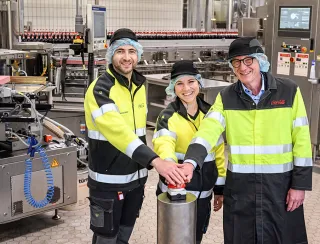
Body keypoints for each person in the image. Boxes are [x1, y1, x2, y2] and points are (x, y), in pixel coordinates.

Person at [183, 37, 313, 244]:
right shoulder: (226, 97)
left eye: (248, 60)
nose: (243, 67)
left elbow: (302, 140)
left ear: (260, 61)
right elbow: (208, 130)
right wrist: (190, 161)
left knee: (283, 237)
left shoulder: (288, 91)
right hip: (242, 189)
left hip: (279, 187)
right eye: (236, 62)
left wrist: (300, 185)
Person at [84, 28, 186, 244]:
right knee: (106, 238)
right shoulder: (100, 89)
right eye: (120, 51)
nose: (127, 57)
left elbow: (139, 134)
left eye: (132, 51)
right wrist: (155, 161)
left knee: (124, 234)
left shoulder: (138, 87)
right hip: (108, 182)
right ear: (111, 54)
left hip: (136, 179)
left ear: (138, 54)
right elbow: (118, 133)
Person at [152, 60, 226, 244]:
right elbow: (164, 145)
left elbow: (218, 153)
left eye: (191, 81)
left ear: (199, 83)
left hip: (203, 195)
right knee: (175, 238)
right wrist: (170, 169)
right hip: (177, 193)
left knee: (196, 237)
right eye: (179, 83)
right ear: (172, 88)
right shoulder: (168, 117)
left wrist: (219, 188)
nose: (187, 88)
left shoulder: (210, 114)